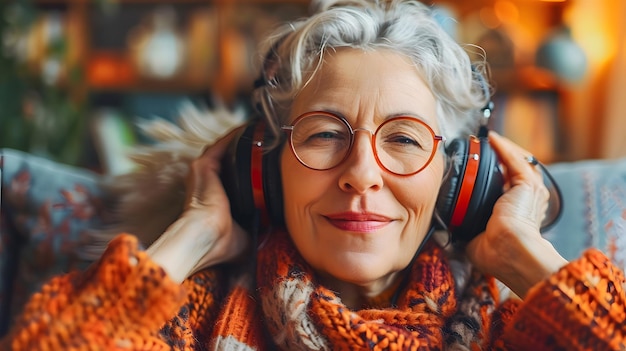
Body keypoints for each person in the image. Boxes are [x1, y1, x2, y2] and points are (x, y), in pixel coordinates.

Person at [2, 0, 624, 349]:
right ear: (264, 171)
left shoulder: (520, 332)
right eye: (325, 134)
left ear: (459, 178)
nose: (361, 175)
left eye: (405, 139)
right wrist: (193, 234)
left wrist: (527, 259)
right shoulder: (185, 318)